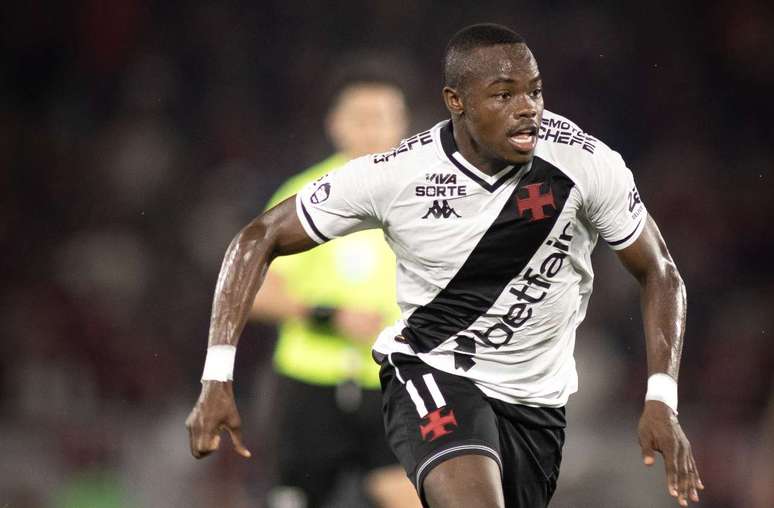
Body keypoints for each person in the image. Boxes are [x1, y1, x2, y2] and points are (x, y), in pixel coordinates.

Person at [186, 23, 704, 508]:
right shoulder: (396, 176)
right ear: (456, 102)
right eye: (504, 95)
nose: (528, 109)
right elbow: (257, 238)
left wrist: (662, 397)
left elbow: (660, 271)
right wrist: (216, 376)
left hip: (536, 400)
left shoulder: (586, 164)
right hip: (430, 370)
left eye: (535, 91)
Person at [249, 64, 420, 508]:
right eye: (358, 117)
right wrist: (329, 316)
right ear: (335, 122)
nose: (369, 129)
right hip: (311, 384)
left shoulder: (428, 198)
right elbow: (255, 294)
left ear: (402, 125)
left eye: (381, 116)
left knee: (410, 495)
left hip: (393, 381)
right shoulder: (301, 196)